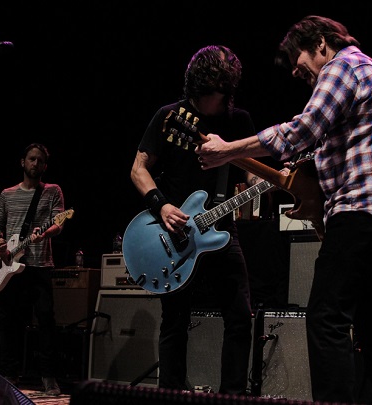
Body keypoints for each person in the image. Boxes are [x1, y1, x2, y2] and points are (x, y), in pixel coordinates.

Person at [196, 16, 372, 404]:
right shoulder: (371, 71)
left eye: (299, 62)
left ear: (320, 43)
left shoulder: (342, 65)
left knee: (326, 316)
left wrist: (228, 150)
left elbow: (302, 130)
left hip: (360, 206)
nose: (298, 73)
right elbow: (336, 146)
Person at [130, 45, 261, 395]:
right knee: (175, 321)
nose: (206, 104)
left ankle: (232, 396)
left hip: (222, 229)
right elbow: (138, 169)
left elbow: (251, 176)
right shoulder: (170, 116)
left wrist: (265, 182)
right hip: (172, 232)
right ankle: (171, 393)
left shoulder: (239, 121)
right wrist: (161, 206)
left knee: (240, 317)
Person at [0, 143, 64, 396]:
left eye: (40, 161)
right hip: (10, 266)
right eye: (31, 159)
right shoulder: (7, 194)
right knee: (8, 320)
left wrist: (45, 233)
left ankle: (48, 377)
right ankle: (9, 373)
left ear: (45, 165)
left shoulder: (52, 191)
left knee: (45, 320)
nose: (35, 164)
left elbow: (59, 222)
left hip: (40, 264)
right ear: (23, 162)